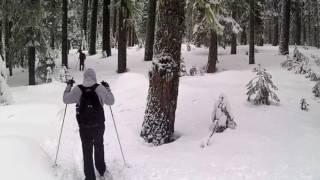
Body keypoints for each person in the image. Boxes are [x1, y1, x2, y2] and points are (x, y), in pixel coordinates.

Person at [63, 68, 115, 180]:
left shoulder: (78, 89)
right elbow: (111, 101)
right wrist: (108, 89)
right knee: (99, 146)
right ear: (94, 76)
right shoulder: (100, 88)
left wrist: (68, 87)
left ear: (84, 77)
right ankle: (101, 169)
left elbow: (65, 100)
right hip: (99, 125)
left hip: (84, 127)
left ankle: (90, 177)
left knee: (87, 150)